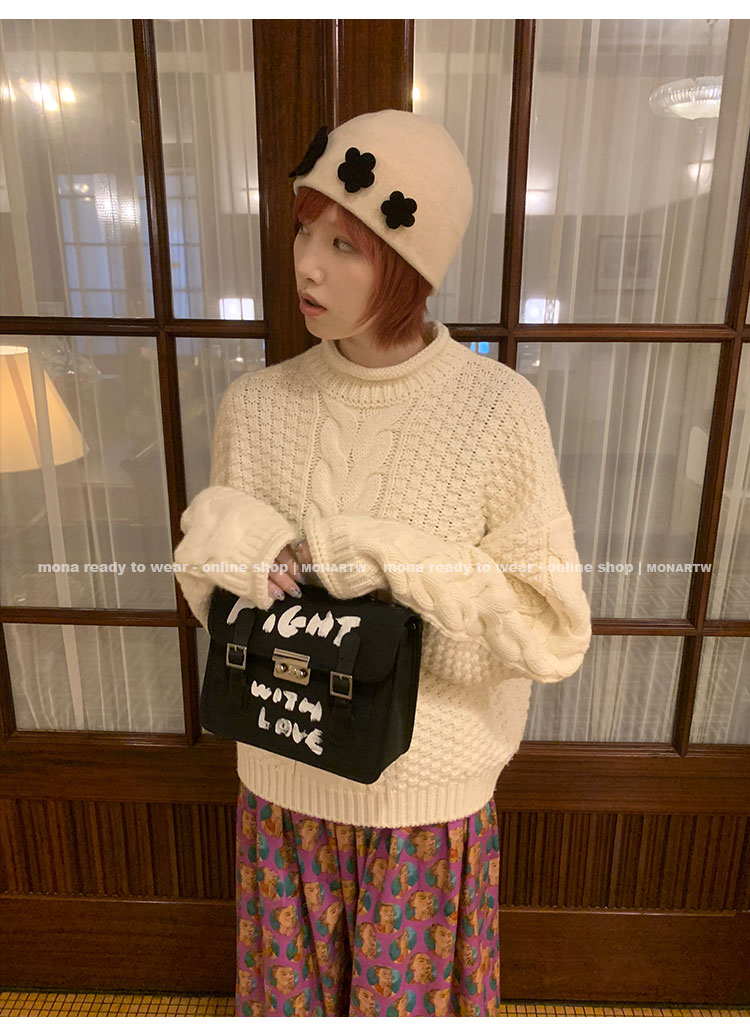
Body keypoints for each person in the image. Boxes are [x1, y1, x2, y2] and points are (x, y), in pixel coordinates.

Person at [173, 109, 592, 1017]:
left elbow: (553, 632)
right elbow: (205, 593)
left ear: (409, 264)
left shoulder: (496, 411)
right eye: (304, 232)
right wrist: (236, 542)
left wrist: (391, 555)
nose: (307, 267)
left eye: (346, 246)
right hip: (280, 785)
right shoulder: (256, 403)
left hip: (423, 810)